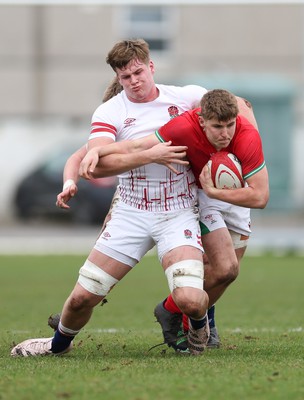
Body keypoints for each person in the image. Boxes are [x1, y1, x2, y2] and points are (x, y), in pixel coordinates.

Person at [11, 38, 211, 358]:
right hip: (131, 211)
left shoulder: (187, 97)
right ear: (117, 78)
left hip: (178, 211)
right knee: (81, 299)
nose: (133, 81)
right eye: (125, 77)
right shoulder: (111, 110)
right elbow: (96, 162)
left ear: (151, 67)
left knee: (191, 298)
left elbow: (235, 108)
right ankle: (57, 345)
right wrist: (153, 154)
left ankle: (201, 322)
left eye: (138, 72)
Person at [78, 89, 269, 352]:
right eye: (217, 126)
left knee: (225, 273)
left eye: (230, 125)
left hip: (236, 192)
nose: (225, 133)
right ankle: (197, 323)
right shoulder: (181, 125)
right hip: (201, 194)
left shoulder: (241, 130)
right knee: (223, 267)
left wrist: (219, 190)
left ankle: (172, 310)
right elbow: (137, 145)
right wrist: (96, 153)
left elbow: (260, 197)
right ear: (202, 119)